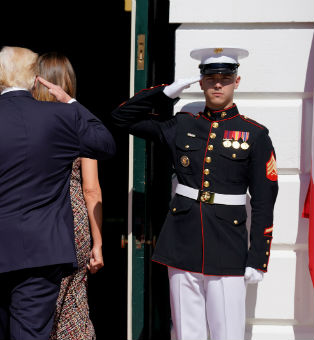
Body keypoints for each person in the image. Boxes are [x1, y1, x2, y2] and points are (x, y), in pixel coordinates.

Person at [0, 46, 116, 340]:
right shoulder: (61, 116)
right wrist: (71, 102)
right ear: (35, 79)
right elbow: (105, 144)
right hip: (43, 248)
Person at [111, 47, 278, 340]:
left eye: (225, 78)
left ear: (236, 81)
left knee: (227, 332)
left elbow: (264, 201)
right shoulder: (182, 125)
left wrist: (258, 257)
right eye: (210, 77)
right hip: (181, 243)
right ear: (200, 82)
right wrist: (165, 94)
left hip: (228, 248)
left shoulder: (255, 134)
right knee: (186, 333)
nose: (217, 84)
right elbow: (122, 118)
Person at [32, 52, 104, 340]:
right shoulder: (79, 123)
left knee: (33, 303)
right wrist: (98, 242)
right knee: (72, 301)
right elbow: (91, 188)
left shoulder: (25, 122)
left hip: (34, 217)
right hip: (71, 222)